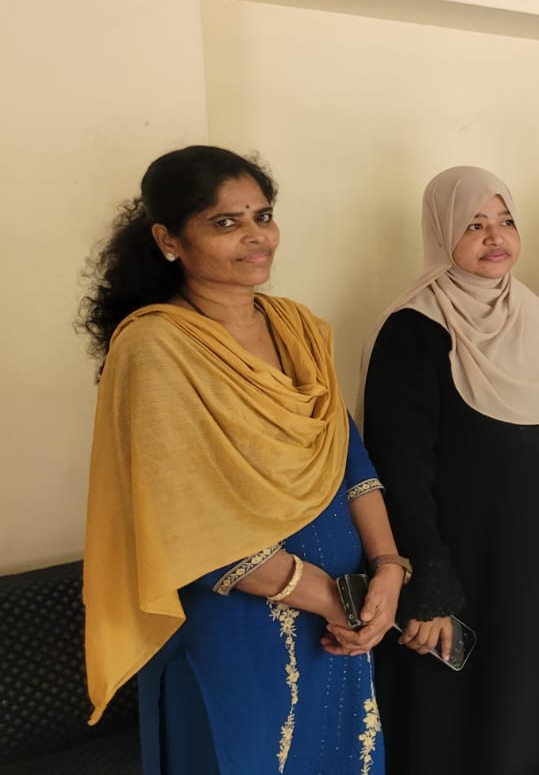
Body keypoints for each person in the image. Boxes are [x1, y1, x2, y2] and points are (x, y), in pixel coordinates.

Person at [79, 145, 401, 774]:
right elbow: (185, 521)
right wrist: (331, 598)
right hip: (240, 627)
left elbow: (349, 457)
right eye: (226, 222)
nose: (256, 237)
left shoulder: (296, 326)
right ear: (169, 240)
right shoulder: (155, 345)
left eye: (263, 216)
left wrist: (388, 570)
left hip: (344, 618)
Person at [360, 166, 539, 774]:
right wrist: (430, 582)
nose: (495, 237)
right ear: (441, 233)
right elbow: (399, 470)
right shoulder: (414, 329)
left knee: (528, 704)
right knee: (458, 715)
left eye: (505, 221)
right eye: (474, 225)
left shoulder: (532, 315)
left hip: (537, 565)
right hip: (464, 564)